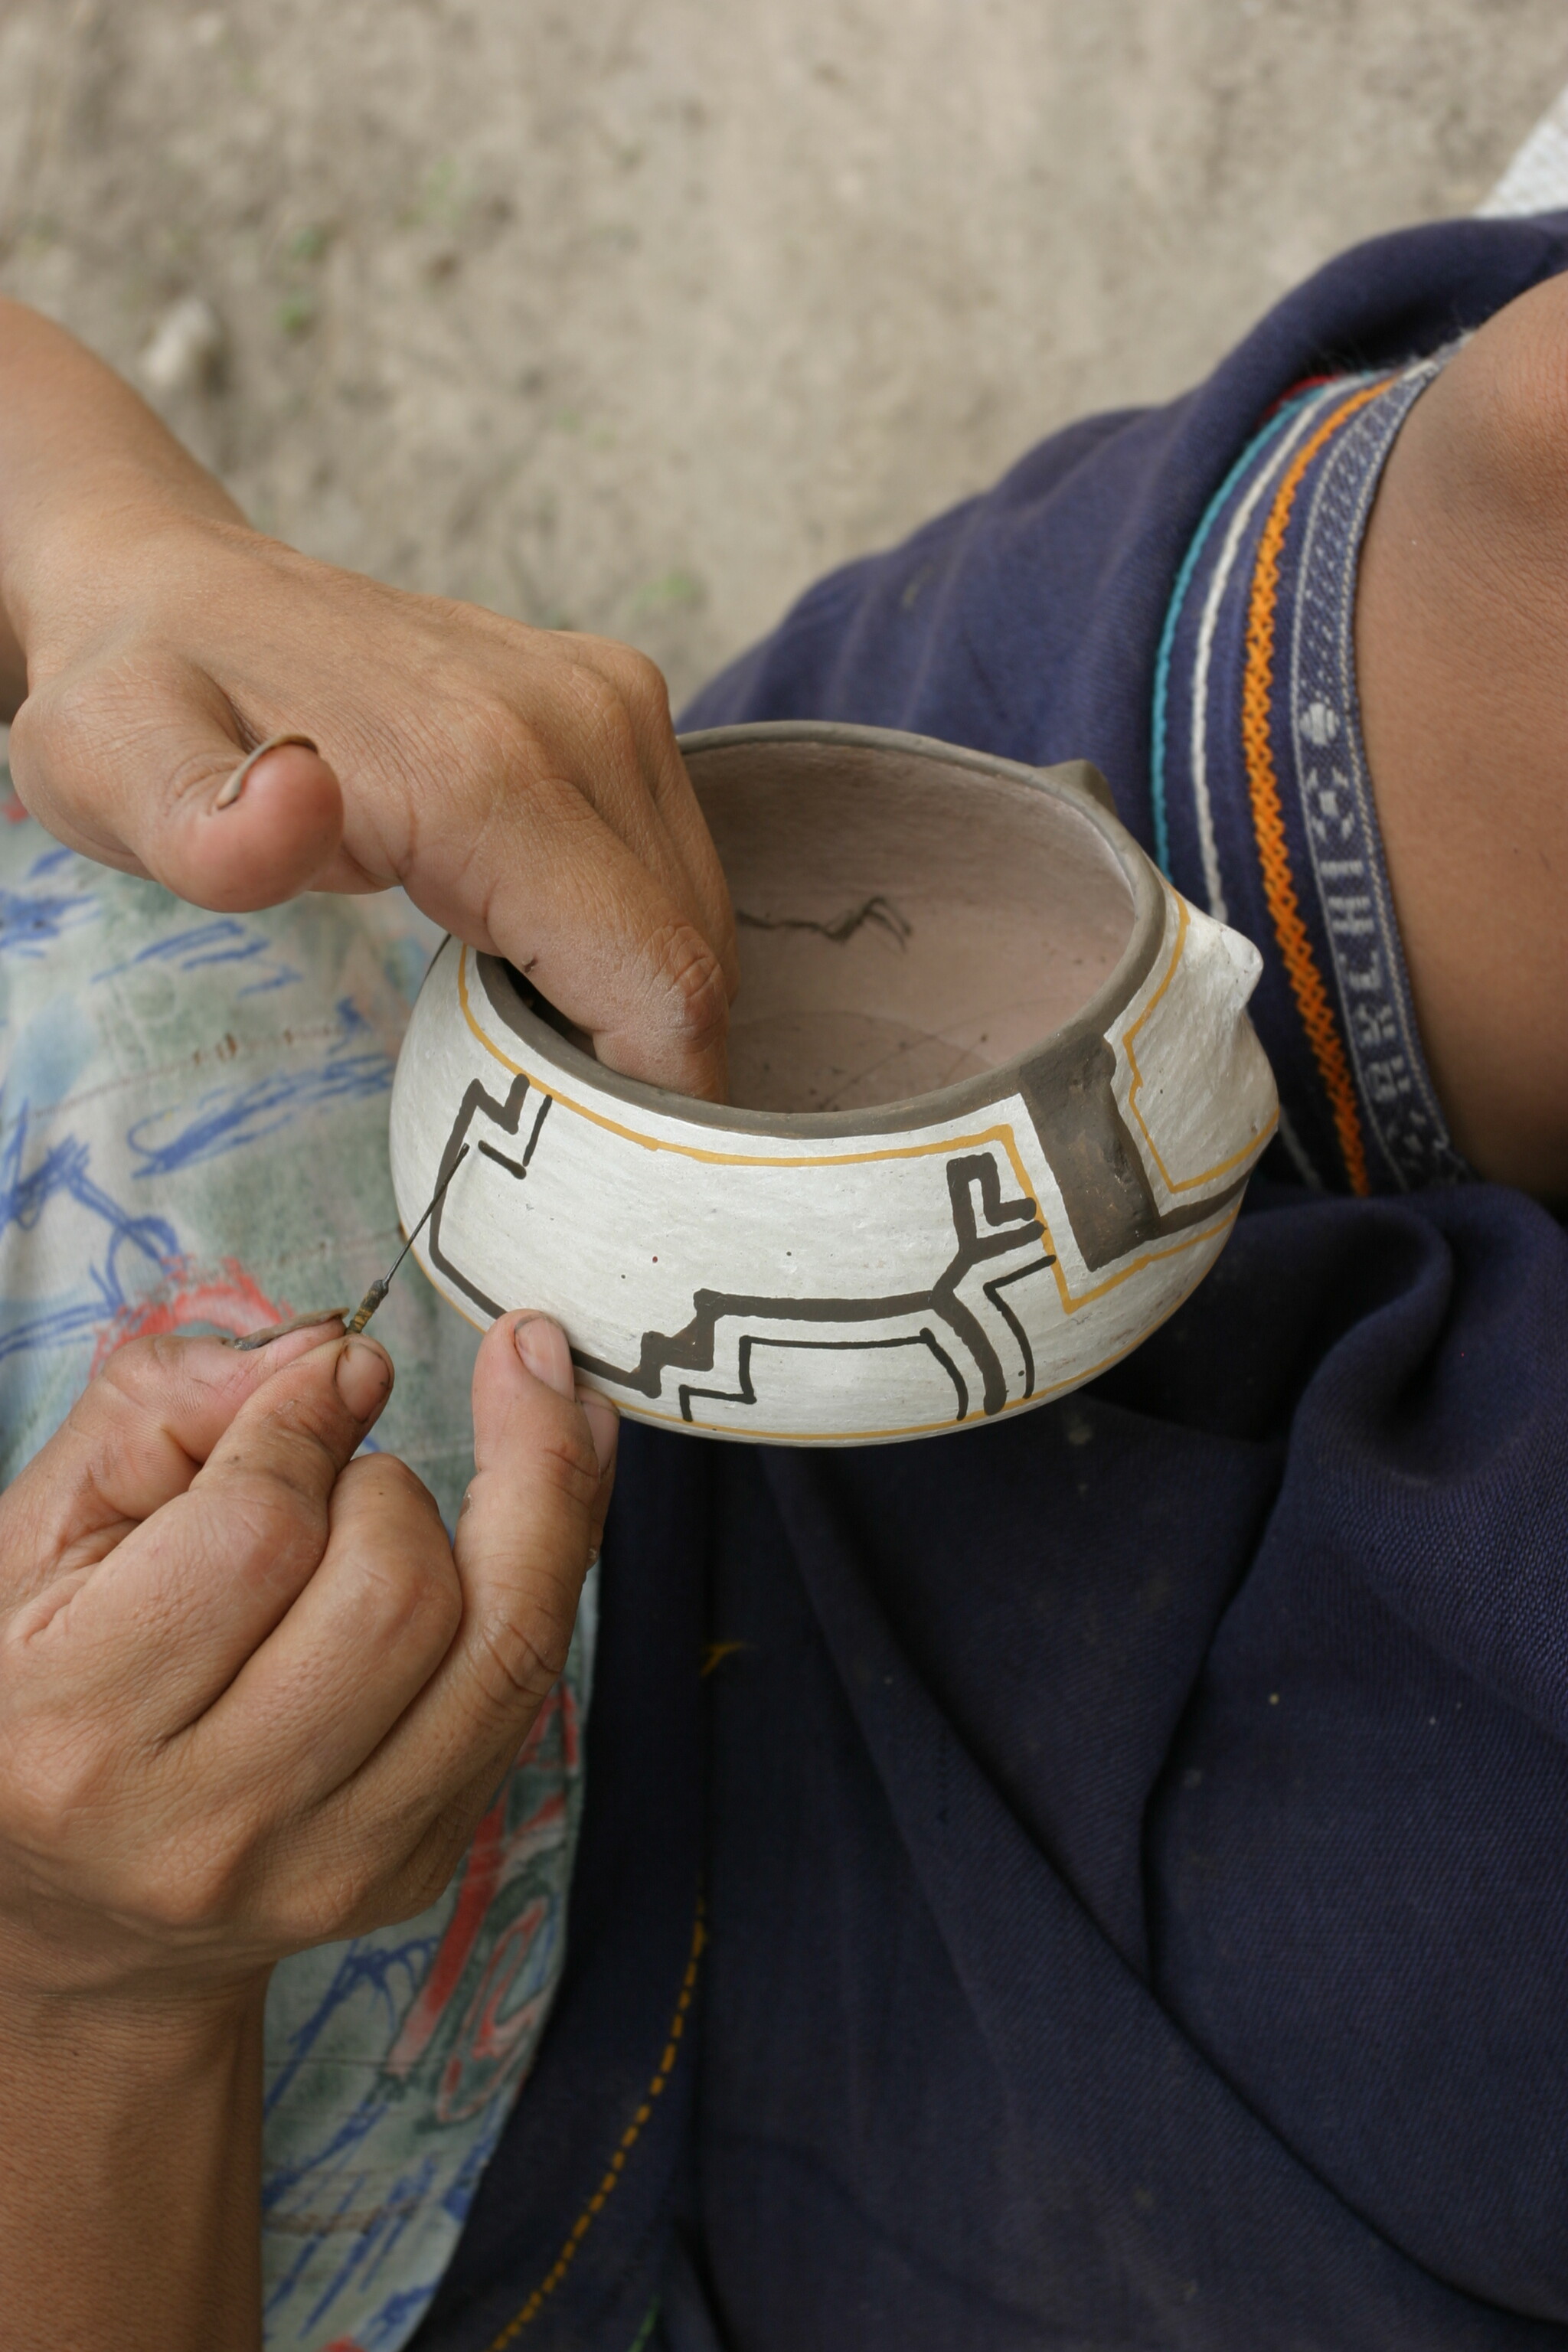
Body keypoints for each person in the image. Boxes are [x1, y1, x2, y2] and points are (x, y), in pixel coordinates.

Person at [5, 198, 1568, 2352]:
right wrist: (81, 1987)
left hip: (690, 972)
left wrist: (127, 567)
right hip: (605, 2070)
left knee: (1543, 490)